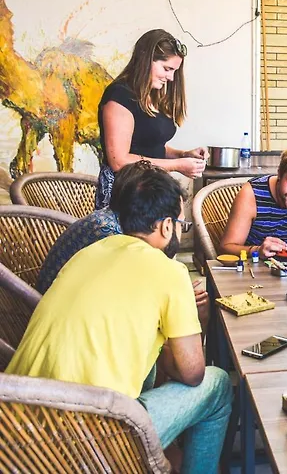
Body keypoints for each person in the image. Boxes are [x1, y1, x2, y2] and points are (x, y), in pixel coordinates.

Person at [7, 162, 232, 474]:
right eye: (181, 224)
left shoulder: (87, 254)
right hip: (86, 443)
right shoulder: (170, 272)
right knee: (218, 385)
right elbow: (192, 374)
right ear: (166, 226)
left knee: (148, 355)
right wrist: (196, 321)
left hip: (16, 431)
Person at [36, 161, 209, 328]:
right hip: (64, 319)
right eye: (180, 223)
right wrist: (178, 299)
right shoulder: (113, 238)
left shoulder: (111, 220)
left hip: (53, 317)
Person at [96, 28, 208, 208]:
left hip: (151, 191)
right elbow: (119, 161)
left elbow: (149, 145)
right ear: (146, 60)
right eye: (167, 69)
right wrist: (178, 165)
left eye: (174, 71)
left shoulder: (151, 95)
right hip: (126, 195)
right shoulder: (119, 96)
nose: (171, 77)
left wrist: (183, 154)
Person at [220, 146, 287, 258]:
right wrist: (257, 250)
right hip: (252, 262)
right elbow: (226, 248)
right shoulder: (251, 193)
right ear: (279, 174)